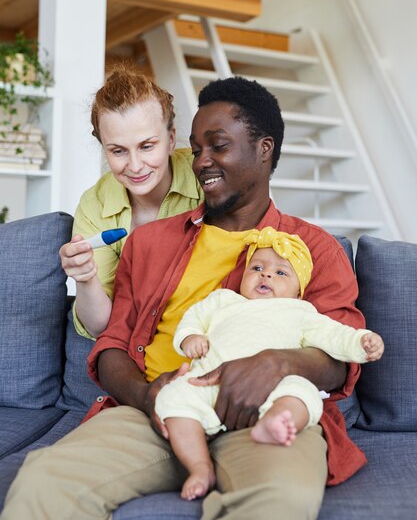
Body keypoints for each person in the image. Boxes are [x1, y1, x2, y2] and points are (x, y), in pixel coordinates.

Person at [2, 76, 368, 520]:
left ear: (264, 149)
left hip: (268, 415)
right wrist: (145, 395)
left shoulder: (312, 247)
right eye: (196, 150)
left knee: (281, 499)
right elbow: (112, 343)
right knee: (43, 484)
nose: (201, 162)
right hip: (156, 413)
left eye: (217, 146)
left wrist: (276, 362)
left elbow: (343, 355)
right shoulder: (149, 243)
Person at [155, 227, 384, 501]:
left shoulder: (300, 312)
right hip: (210, 380)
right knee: (173, 396)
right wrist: (189, 338)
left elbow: (333, 335)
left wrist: (361, 342)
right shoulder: (223, 300)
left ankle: (276, 423)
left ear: (298, 292)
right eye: (257, 268)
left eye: (281, 273)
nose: (265, 275)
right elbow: (192, 319)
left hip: (275, 386)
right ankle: (200, 467)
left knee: (301, 392)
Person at [59, 65, 204, 338]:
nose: (135, 166)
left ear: (171, 140)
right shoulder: (95, 205)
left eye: (147, 146)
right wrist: (86, 277)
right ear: (104, 147)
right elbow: (99, 325)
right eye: (118, 151)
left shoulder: (205, 176)